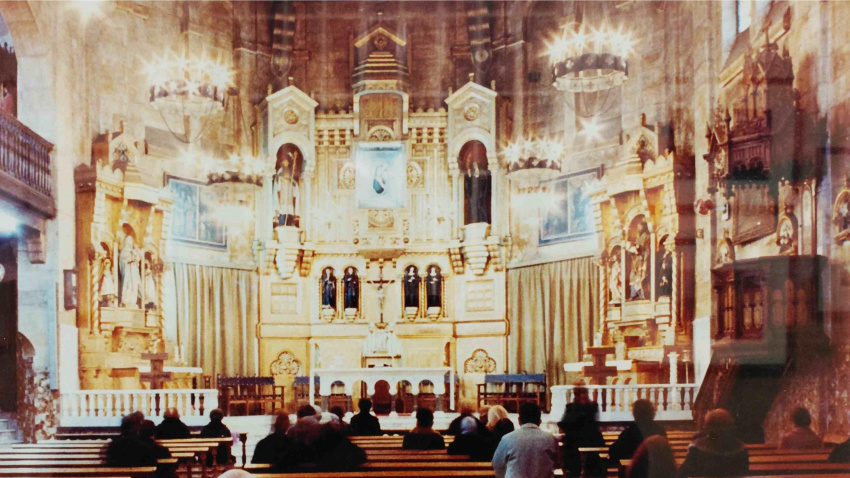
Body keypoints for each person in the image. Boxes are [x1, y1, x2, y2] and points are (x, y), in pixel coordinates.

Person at [492, 402, 559, 478]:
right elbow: (557, 464)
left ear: (519, 420)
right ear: (540, 421)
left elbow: (497, 464)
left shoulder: (507, 439)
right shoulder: (551, 439)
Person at [677, 409, 749, 478]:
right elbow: (744, 473)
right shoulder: (741, 449)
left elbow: (683, 473)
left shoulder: (697, 449)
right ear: (731, 426)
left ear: (707, 427)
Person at [559, 384, 605, 477]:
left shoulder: (573, 407)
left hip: (579, 441)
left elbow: (564, 424)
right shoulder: (574, 407)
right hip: (585, 441)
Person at [609, 399, 667, 464]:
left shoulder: (630, 431)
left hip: (635, 470)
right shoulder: (659, 430)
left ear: (635, 414)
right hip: (656, 470)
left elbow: (614, 451)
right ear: (652, 413)